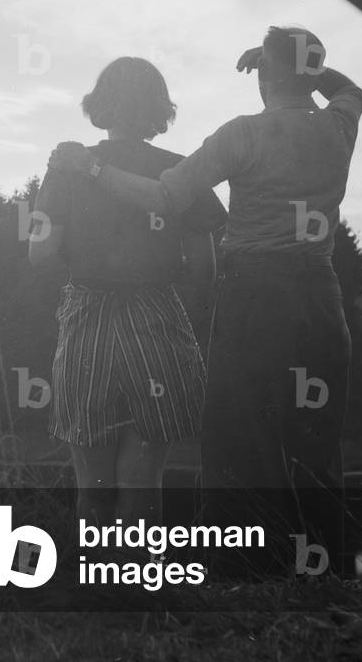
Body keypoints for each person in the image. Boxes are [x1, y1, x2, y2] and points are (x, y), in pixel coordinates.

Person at [48, 26, 362, 577]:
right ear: (312, 75)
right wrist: (297, 66)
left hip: (254, 296)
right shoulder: (339, 124)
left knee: (241, 438)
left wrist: (94, 169)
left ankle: (246, 576)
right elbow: (351, 89)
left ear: (263, 76)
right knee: (318, 437)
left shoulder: (242, 134)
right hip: (320, 294)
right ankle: (325, 575)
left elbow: (167, 195)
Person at [28, 57, 226, 531]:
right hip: (158, 319)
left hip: (85, 318)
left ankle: (95, 589)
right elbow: (205, 268)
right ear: (159, 110)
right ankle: (140, 587)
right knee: (144, 478)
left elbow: (40, 255)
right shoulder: (179, 171)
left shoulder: (66, 167)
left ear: (100, 105)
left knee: (91, 482)